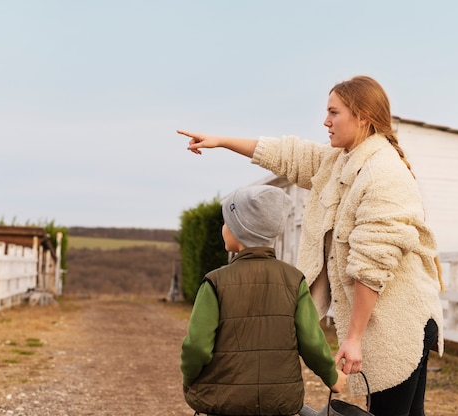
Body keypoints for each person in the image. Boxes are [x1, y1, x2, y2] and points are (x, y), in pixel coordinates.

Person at [177, 75, 444, 416]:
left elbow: (373, 263)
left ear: (362, 117)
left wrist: (354, 337)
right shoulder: (341, 160)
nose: (325, 121)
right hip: (385, 318)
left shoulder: (383, 173)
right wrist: (221, 141)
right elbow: (288, 155)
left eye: (334, 113)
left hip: (398, 321)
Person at [180, 184, 347, 416]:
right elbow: (311, 342)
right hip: (279, 402)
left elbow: (197, 347)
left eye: (226, 222)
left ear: (238, 231)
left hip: (226, 403)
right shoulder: (294, 280)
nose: (223, 228)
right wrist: (332, 377)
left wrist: (190, 377)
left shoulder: (215, 282)